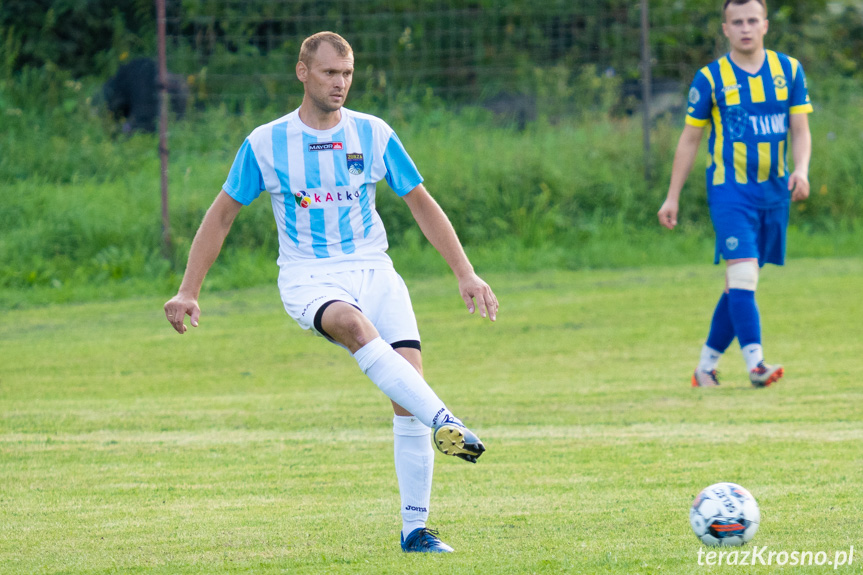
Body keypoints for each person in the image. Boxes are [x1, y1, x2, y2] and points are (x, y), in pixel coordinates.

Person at [163, 31, 498, 553]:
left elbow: (421, 202)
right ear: (303, 72)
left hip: (375, 269)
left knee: (405, 396)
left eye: (347, 74)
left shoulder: (374, 133)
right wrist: (189, 290)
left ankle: (416, 531)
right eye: (329, 74)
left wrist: (465, 272)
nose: (340, 84)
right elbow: (222, 214)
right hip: (309, 276)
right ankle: (447, 421)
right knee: (353, 326)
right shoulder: (266, 142)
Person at [657, 0, 812, 388]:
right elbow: (690, 138)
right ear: (725, 29)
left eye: (752, 20)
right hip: (730, 192)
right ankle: (756, 364)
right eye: (737, 21)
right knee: (743, 273)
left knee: (737, 285)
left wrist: (802, 170)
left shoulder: (788, 70)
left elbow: (801, 129)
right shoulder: (710, 78)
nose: (745, 28)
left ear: (765, 25)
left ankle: (704, 369)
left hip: (775, 192)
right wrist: (672, 196)